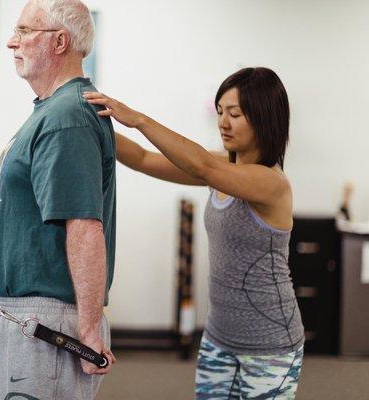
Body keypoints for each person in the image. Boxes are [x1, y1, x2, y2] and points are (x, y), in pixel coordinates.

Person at [84, 67, 305, 398]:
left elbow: (203, 166)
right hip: (219, 338)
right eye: (220, 112)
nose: (223, 123)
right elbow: (143, 158)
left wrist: (139, 119)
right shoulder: (221, 168)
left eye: (235, 113)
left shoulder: (272, 184)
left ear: (264, 117)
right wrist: (88, 122)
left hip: (270, 345)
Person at [0, 1, 117, 399]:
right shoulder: (52, 112)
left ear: (60, 42)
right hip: (28, 314)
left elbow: (84, 225)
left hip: (49, 321)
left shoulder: (66, 118)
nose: (12, 42)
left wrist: (89, 331)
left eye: (26, 31)